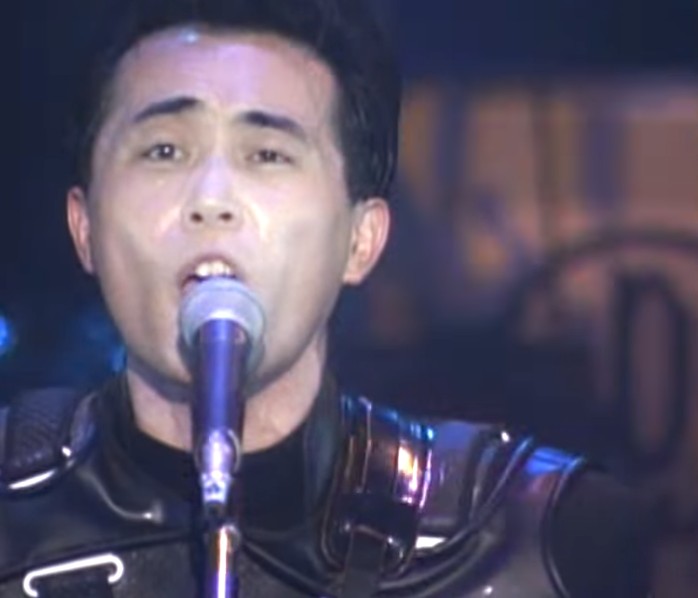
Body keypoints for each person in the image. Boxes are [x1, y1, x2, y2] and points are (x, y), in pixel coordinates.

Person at [1, 0, 649, 596]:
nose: (211, 200)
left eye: (267, 154)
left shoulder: (532, 538)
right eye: (164, 150)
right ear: (83, 228)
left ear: (362, 240)